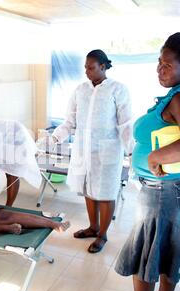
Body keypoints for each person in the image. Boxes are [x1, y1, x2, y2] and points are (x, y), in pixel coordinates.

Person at [114, 32, 180, 291]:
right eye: (159, 62)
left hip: (165, 192)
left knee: (147, 257)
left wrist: (156, 157)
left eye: (167, 64)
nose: (159, 68)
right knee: (171, 252)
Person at [50, 49, 134, 253]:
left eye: (91, 67)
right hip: (83, 150)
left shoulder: (117, 89)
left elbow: (126, 124)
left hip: (107, 151)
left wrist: (131, 151)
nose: (86, 71)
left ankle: (102, 235)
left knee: (105, 193)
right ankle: (93, 226)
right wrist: (55, 137)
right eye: (85, 67)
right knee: (89, 189)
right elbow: (69, 121)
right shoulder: (80, 90)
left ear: (103, 67)